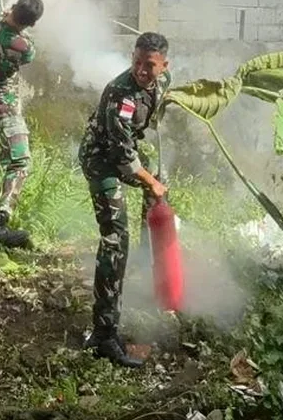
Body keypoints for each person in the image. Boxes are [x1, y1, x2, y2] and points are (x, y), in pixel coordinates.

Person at [79, 32, 170, 368]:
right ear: (132, 57)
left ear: (163, 66)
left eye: (150, 65)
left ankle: (150, 273)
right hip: (101, 161)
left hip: (126, 151)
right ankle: (104, 334)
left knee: (159, 189)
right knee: (116, 239)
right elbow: (123, 157)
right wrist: (151, 182)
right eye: (137, 62)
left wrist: (156, 181)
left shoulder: (164, 81)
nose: (141, 70)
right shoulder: (121, 94)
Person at [0, 0, 44, 249]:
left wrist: (1, 6)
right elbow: (30, 50)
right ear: (32, 24)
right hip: (4, 111)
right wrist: (14, 23)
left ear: (13, 7)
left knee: (12, 158)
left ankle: (0, 220)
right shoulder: (22, 47)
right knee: (20, 161)